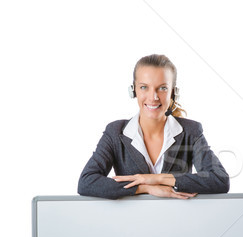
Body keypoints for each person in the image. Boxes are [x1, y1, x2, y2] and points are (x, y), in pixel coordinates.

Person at [78, 54, 229, 200]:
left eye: (162, 88)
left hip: (178, 221)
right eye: (144, 87)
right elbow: (87, 182)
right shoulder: (115, 132)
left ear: (173, 93)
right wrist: (145, 187)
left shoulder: (191, 131)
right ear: (133, 91)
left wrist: (156, 178)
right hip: (130, 223)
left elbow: (219, 179)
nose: (153, 97)